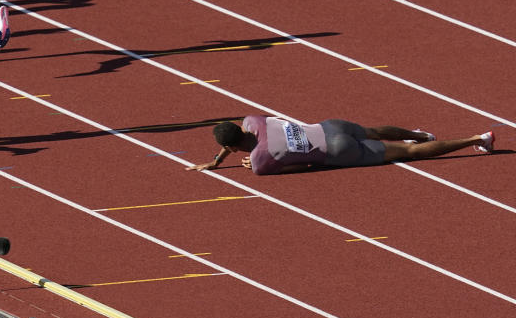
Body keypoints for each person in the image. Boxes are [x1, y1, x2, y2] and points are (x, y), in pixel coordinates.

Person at [188, 116, 495, 175]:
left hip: (335, 152)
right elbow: (239, 135)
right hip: (329, 126)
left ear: (234, 147)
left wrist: (220, 163)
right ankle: (420, 134)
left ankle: (476, 139)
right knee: (374, 130)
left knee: (408, 156)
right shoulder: (254, 121)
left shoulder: (260, 162)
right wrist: (217, 159)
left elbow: (300, 165)